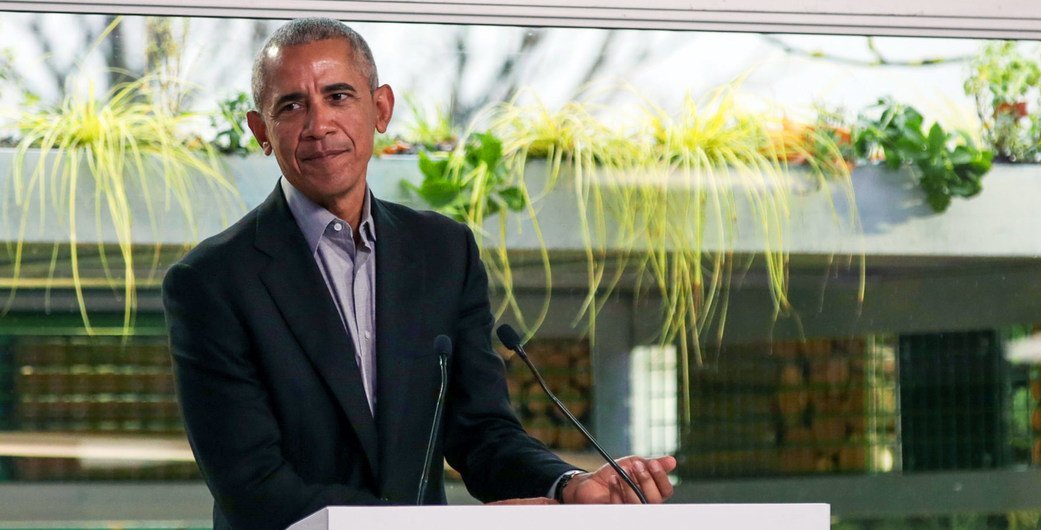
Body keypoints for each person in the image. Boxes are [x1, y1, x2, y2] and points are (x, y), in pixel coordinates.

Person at [162, 17, 675, 530]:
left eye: (339, 96)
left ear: (381, 108)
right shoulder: (210, 282)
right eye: (292, 105)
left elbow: (481, 433)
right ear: (261, 132)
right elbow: (254, 489)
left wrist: (569, 486)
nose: (319, 125)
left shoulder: (444, 252)